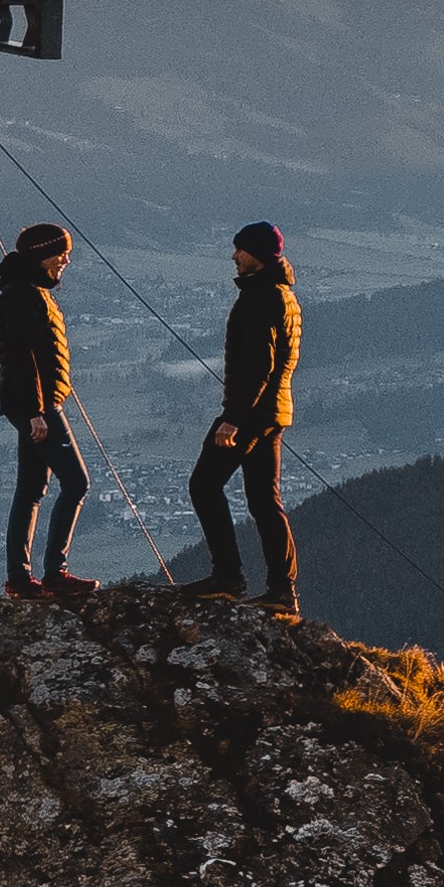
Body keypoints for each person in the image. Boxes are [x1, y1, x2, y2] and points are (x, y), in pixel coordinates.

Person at [192, 217, 303, 618]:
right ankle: (282, 591)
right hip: (274, 411)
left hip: (252, 413)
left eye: (241, 250)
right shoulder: (282, 295)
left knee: (204, 485)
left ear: (258, 254)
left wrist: (233, 419)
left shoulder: (259, 298)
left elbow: (258, 366)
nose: (234, 256)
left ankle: (228, 577)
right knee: (264, 500)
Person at [0, 220, 94, 595]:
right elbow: (22, 357)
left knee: (32, 488)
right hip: (36, 405)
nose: (66, 259)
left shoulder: (30, 290)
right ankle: (55, 573)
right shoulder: (22, 295)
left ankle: (20, 578)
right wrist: (36, 411)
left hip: (33, 404)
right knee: (76, 482)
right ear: (42, 255)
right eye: (61, 252)